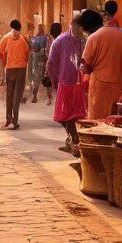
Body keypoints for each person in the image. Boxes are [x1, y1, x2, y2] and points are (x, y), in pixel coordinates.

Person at [80, 3, 122, 120]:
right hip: (118, 83)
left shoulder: (93, 37)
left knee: (98, 119)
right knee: (115, 119)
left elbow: (86, 65)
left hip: (99, 85)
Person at [48, 13, 86, 152]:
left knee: (76, 114)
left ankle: (73, 139)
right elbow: (51, 63)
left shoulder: (84, 40)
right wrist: (54, 81)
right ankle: (73, 138)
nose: (81, 32)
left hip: (80, 83)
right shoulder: (60, 40)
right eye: (80, 28)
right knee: (63, 115)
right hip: (64, 82)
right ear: (74, 26)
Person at [0, 19, 29, 129]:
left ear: (10, 26)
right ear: (20, 27)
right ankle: (15, 120)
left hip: (10, 68)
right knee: (17, 95)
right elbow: (27, 54)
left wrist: (5, 64)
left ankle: (8, 119)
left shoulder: (5, 38)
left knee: (9, 94)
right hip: (21, 69)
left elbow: (1, 53)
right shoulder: (24, 39)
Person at [27, 23, 49, 103]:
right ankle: (35, 95)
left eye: (41, 28)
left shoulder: (44, 38)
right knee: (36, 78)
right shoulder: (35, 38)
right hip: (36, 59)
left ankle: (37, 95)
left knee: (38, 78)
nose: (40, 30)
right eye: (40, 28)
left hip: (39, 59)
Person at [44, 21, 63, 105]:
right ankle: (56, 98)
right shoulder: (62, 40)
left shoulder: (51, 39)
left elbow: (47, 51)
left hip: (51, 62)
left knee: (49, 80)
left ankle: (50, 97)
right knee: (57, 82)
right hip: (59, 64)